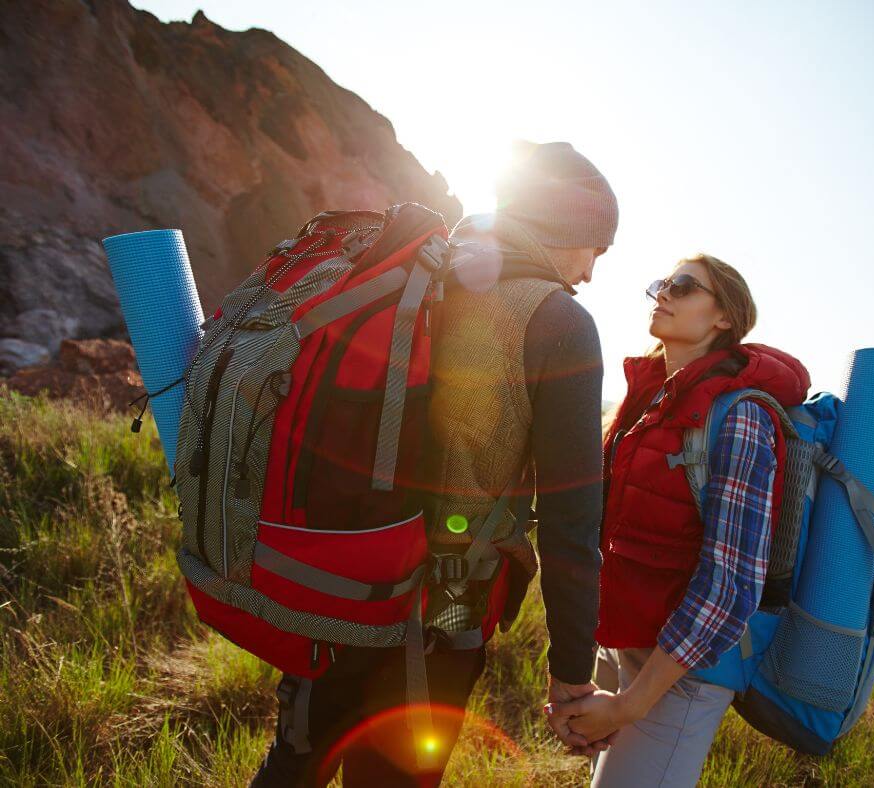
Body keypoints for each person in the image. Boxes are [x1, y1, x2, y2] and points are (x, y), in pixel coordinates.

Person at [252, 140, 619, 786]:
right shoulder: (558, 320)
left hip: (341, 574)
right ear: (569, 229)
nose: (591, 270)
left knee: (291, 766)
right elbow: (571, 519)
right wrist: (570, 672)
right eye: (598, 246)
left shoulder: (420, 281)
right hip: (446, 605)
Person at [546, 254, 810, 786]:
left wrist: (629, 706)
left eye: (684, 286)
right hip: (623, 642)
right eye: (663, 283)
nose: (663, 293)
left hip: (681, 675)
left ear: (724, 319)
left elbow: (730, 585)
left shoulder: (740, 416)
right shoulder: (649, 401)